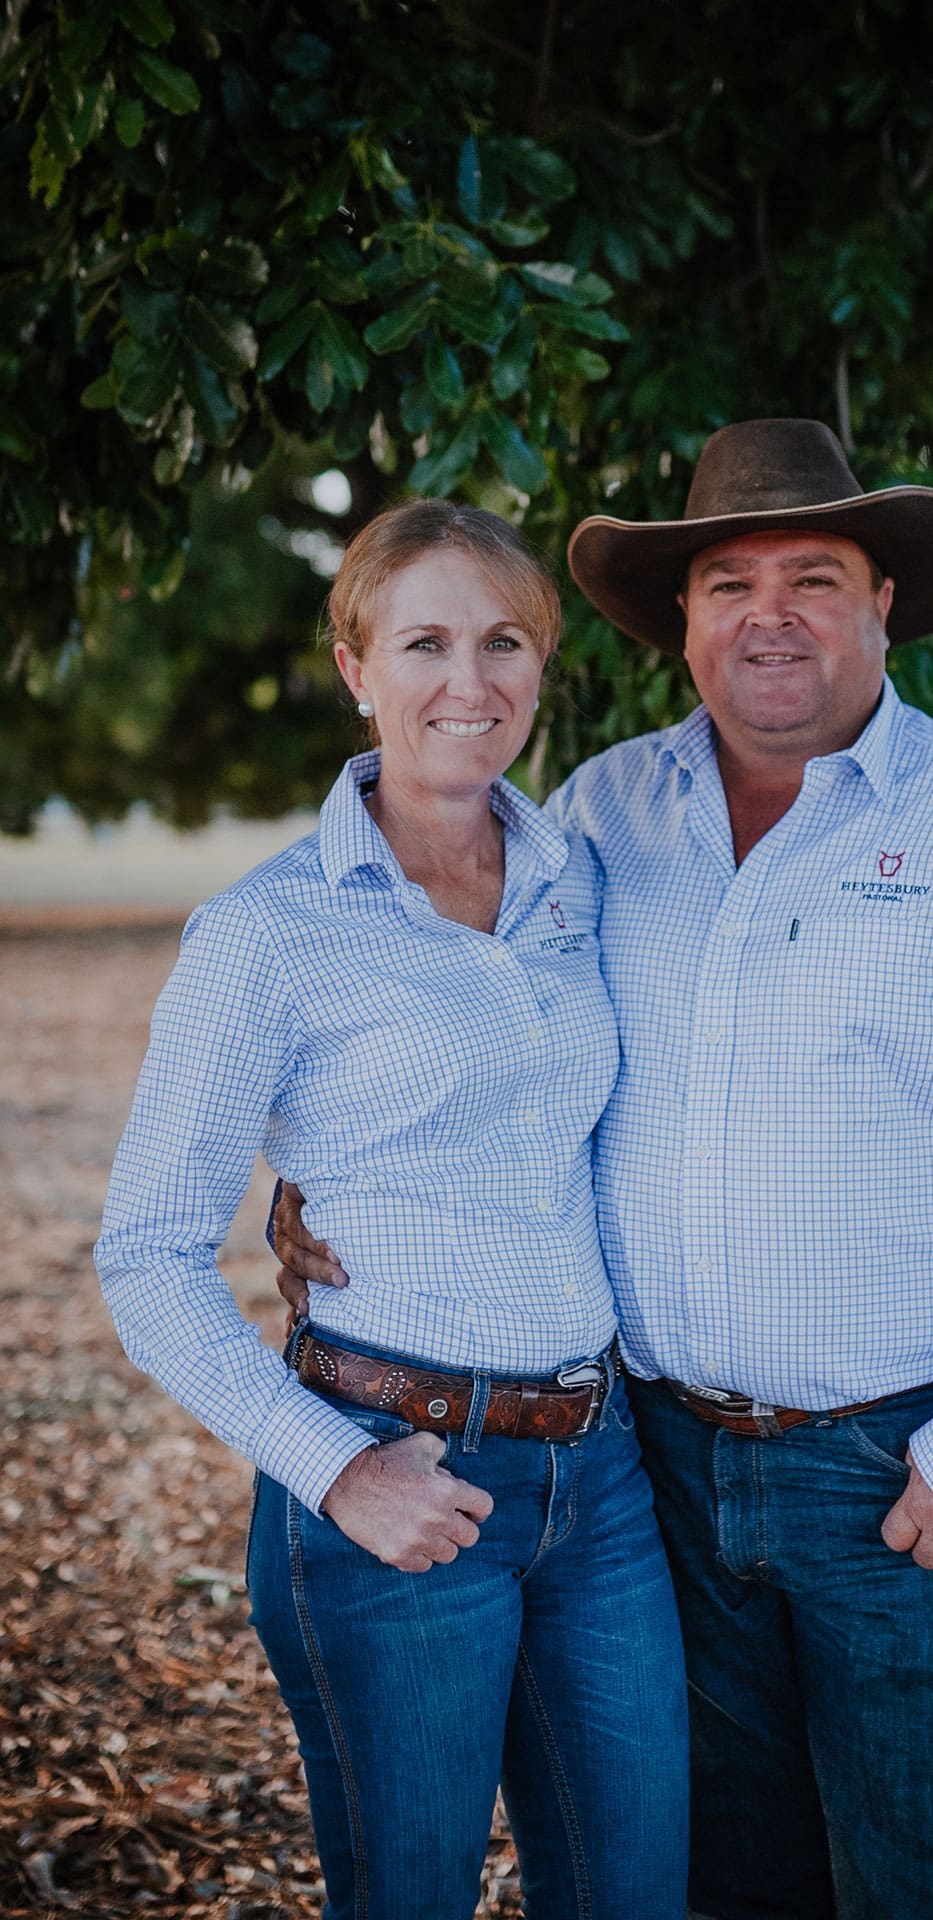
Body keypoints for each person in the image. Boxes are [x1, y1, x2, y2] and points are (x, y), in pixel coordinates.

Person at [274, 419, 933, 1920]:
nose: (770, 613)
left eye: (814, 576)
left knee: (931, 1888)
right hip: (653, 1477)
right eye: (729, 581)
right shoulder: (598, 823)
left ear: (884, 601)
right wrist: (321, 1186)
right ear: (681, 623)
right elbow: (478, 1037)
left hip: (906, 1473)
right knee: (729, 1886)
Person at [94, 499, 689, 1920]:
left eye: (503, 643)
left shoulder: (584, 883)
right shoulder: (268, 934)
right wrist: (337, 1469)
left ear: (543, 668)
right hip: (391, 1465)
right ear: (355, 666)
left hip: (600, 1480)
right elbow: (149, 1255)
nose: (467, 684)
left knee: (635, 1895)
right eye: (424, 642)